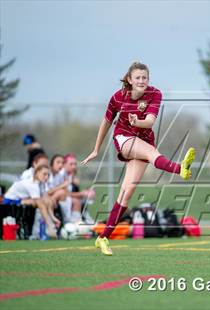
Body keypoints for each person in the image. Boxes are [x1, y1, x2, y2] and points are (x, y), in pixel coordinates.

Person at [81, 61, 195, 255]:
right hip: (123, 138)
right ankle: (180, 167)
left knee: (127, 192)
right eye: (138, 77)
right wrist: (96, 149)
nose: (142, 80)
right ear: (129, 80)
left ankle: (103, 238)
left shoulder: (155, 94)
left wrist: (138, 121)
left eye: (145, 77)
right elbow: (106, 123)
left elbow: (150, 121)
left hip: (143, 138)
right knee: (152, 154)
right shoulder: (118, 97)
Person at [4, 164, 60, 237]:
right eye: (44, 174)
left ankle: (49, 225)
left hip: (23, 199)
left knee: (47, 200)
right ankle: (49, 227)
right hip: (11, 201)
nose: (46, 177)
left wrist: (53, 217)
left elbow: (46, 200)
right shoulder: (32, 184)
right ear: (37, 173)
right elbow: (39, 202)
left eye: (48, 175)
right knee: (40, 202)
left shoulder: (41, 183)